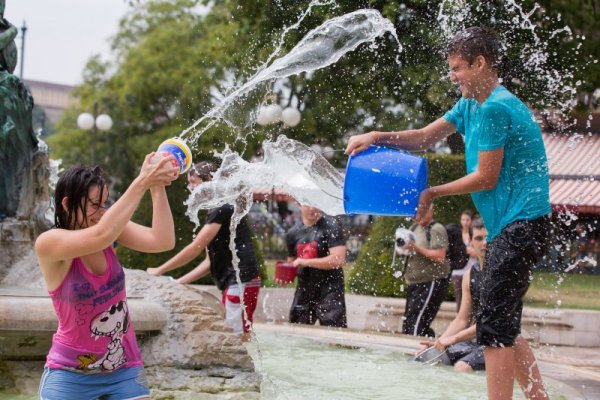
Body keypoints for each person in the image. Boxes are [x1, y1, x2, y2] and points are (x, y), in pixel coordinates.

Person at [346, 26, 550, 400]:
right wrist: (375, 136)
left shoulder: (493, 108)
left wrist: (433, 190)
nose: (452, 76)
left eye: (457, 68)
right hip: (515, 226)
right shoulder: (470, 104)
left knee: (494, 327)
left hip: (522, 226)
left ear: (481, 63)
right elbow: (426, 136)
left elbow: (486, 178)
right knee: (501, 321)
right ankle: (539, 398)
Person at [34, 154, 179, 400]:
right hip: (70, 374)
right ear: (67, 205)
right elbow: (101, 235)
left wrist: (156, 186)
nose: (102, 212)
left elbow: (162, 240)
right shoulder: (49, 243)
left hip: (124, 369)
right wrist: (142, 180)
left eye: (105, 204)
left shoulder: (107, 226)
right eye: (94, 205)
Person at [147, 162, 261, 340]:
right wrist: (178, 282)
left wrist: (159, 270)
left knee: (235, 337)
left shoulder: (222, 208)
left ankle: (243, 368)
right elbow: (208, 263)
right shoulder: (218, 209)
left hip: (241, 281)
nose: (190, 187)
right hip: (238, 282)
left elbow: (194, 249)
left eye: (193, 181)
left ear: (209, 180)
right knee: (237, 335)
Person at [419, 218, 488, 373]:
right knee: (429, 359)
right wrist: (440, 341)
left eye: (488, 238)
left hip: (497, 340)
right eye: (479, 238)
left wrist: (453, 339)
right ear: (470, 242)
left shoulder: (500, 274)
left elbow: (490, 322)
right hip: (474, 340)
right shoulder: (470, 275)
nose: (484, 243)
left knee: (461, 367)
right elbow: (462, 319)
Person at [284, 204, 347, 327]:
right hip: (304, 291)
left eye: (315, 204)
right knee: (296, 335)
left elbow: (339, 260)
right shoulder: (292, 233)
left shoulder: (331, 226)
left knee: (335, 337)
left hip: (330, 290)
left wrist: (305, 262)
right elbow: (292, 262)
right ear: (298, 204)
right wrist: (285, 276)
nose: (312, 208)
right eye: (307, 205)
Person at [400, 206, 449, 337]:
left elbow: (439, 256)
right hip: (414, 282)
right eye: (416, 212)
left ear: (430, 211)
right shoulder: (414, 228)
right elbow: (406, 250)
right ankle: (425, 347)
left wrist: (415, 247)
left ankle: (414, 352)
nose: (417, 216)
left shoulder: (436, 228)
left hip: (431, 281)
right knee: (409, 322)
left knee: (417, 322)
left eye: (421, 212)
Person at [449, 209, 477, 311]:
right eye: (463, 219)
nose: (465, 222)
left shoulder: (475, 235)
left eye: (467, 220)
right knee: (460, 299)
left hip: (472, 269)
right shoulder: (457, 234)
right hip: (458, 271)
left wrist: (471, 251)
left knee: (473, 299)